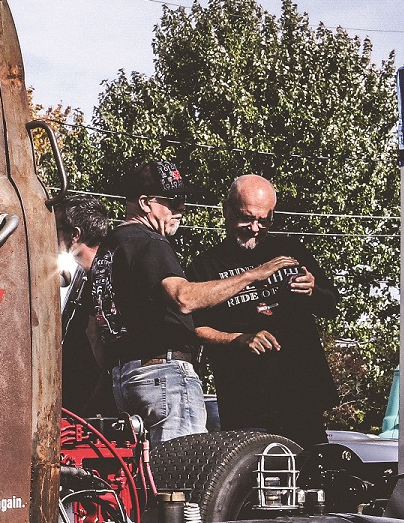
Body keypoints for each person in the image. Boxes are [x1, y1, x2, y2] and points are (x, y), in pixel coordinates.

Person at [89, 159, 297, 443]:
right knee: (180, 478)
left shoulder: (108, 250)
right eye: (173, 202)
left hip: (124, 379)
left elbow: (94, 329)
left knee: (146, 482)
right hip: (164, 378)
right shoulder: (150, 242)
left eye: (183, 201)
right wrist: (252, 275)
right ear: (145, 202)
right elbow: (183, 298)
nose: (181, 209)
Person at [189, 174, 338, 445]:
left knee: (310, 477)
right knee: (257, 480)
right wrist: (238, 339)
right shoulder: (205, 266)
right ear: (226, 210)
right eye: (246, 218)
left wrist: (313, 290)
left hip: (301, 393)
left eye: (264, 221)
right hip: (246, 400)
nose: (255, 228)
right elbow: (193, 328)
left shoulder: (291, 250)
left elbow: (331, 305)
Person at [56, 197, 113, 413]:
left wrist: (89, 404)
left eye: (57, 228)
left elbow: (102, 347)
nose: (51, 235)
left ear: (75, 234)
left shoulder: (108, 276)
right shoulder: (87, 275)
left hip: (94, 399)